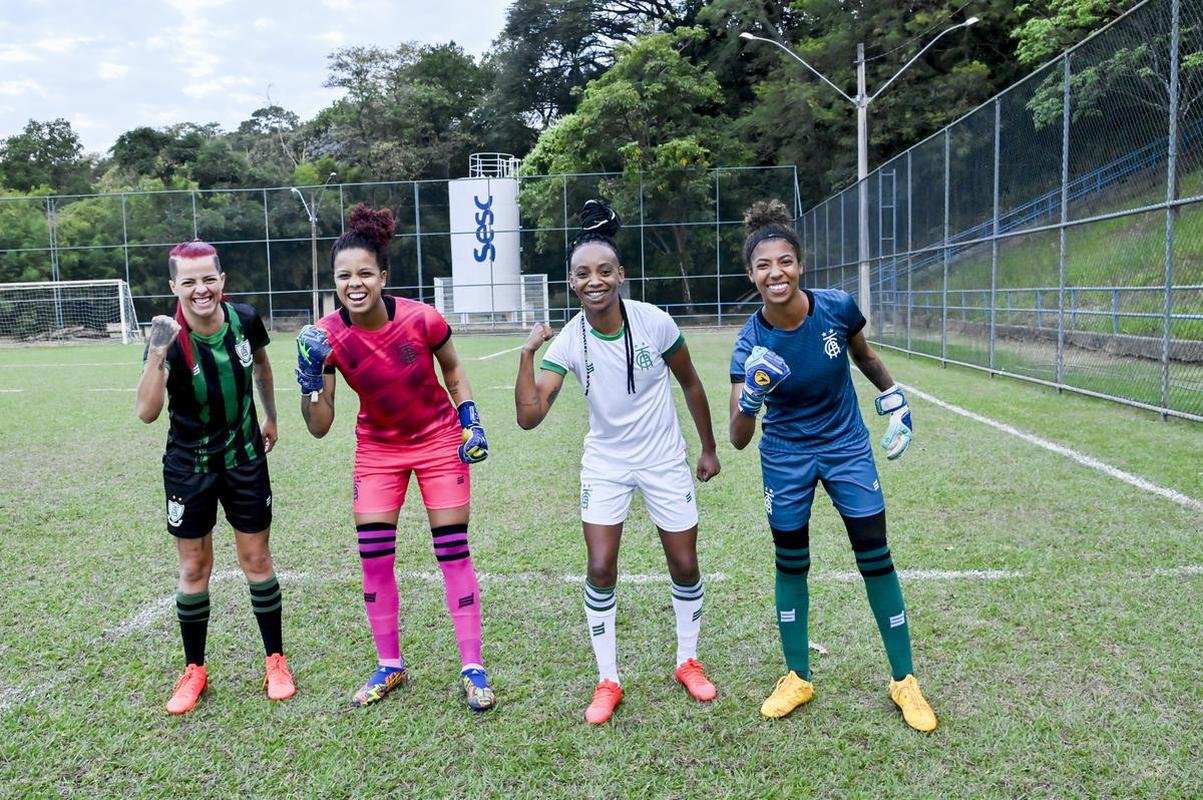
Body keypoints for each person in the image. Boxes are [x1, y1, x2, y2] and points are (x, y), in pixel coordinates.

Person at [727, 199, 937, 732]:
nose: (776, 273)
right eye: (763, 266)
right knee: (791, 562)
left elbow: (863, 355)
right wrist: (750, 396)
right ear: (751, 275)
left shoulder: (838, 307)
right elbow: (737, 437)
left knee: (876, 557)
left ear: (800, 265)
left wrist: (894, 396)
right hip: (785, 456)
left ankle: (904, 680)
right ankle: (797, 676)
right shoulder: (750, 341)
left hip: (846, 447)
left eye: (785, 262)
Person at [515, 199, 721, 725]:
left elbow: (691, 382)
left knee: (685, 564)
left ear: (621, 275)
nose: (595, 280)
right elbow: (530, 416)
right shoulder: (570, 339)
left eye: (604, 271)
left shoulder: (654, 322)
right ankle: (608, 679)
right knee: (601, 566)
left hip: (663, 461)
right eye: (583, 274)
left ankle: (687, 661)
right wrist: (525, 355)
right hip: (605, 463)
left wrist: (708, 447)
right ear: (571, 282)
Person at [295, 203, 495, 712]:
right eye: (344, 276)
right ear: (334, 281)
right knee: (374, 557)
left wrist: (470, 420)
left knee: (452, 551)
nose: (355, 283)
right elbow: (319, 427)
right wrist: (308, 380)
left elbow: (453, 372)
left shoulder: (423, 319)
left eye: (365, 273)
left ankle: (473, 667)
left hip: (437, 440)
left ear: (383, 276)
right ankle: (390, 665)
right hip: (378, 450)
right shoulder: (326, 336)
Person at [134, 238, 295, 715]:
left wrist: (270, 416)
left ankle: (275, 660)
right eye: (189, 281)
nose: (200, 289)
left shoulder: (245, 319)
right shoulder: (166, 335)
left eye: (208, 279)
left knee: (256, 558)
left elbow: (262, 368)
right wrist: (157, 354)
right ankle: (195, 670)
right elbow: (146, 412)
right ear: (174, 286)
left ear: (221, 280)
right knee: (194, 568)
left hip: (246, 459)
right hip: (189, 467)